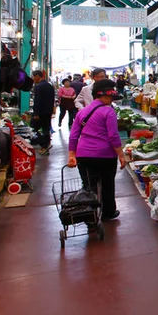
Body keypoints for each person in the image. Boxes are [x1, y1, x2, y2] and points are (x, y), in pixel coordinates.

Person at [67, 78, 126, 222]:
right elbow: (113, 136)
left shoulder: (82, 112)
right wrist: (121, 155)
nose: (112, 100)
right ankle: (108, 212)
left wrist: (72, 155)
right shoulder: (108, 111)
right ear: (104, 95)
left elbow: (74, 135)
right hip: (105, 155)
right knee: (107, 185)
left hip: (84, 155)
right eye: (111, 97)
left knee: (88, 186)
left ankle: (89, 215)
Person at [30, 70, 55, 153]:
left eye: (33, 76)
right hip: (48, 111)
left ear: (37, 76)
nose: (33, 78)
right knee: (46, 128)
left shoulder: (39, 87)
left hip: (40, 112)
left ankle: (44, 144)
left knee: (33, 129)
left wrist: (36, 113)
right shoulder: (50, 86)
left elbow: (38, 101)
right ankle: (46, 146)